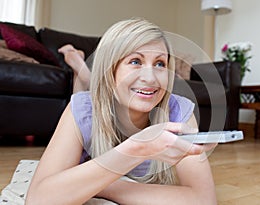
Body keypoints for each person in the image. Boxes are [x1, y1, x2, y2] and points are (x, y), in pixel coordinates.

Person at [26, 18, 217, 205]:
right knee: (87, 92)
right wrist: (137, 148)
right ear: (110, 69)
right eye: (135, 61)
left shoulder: (178, 111)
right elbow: (37, 200)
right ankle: (75, 61)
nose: (150, 78)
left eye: (160, 64)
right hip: (96, 99)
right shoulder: (82, 108)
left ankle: (80, 66)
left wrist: (100, 184)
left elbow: (203, 201)